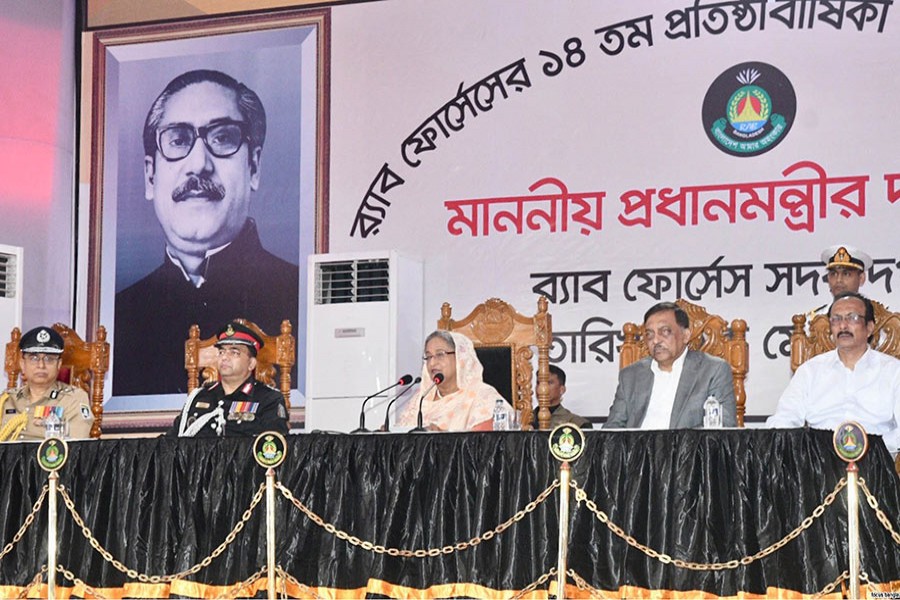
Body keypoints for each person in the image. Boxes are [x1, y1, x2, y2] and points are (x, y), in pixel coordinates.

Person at [114, 69, 298, 396]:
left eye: (223, 138)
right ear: (150, 175)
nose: (199, 163)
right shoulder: (122, 314)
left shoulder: (297, 296)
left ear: (253, 167)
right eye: (178, 140)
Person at [767, 292, 900, 454]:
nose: (843, 326)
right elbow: (784, 420)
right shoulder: (810, 371)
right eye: (836, 319)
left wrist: (868, 447)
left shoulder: (893, 371)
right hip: (819, 463)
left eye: (852, 318)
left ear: (869, 327)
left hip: (877, 463)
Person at [604, 301, 737, 429]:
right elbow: (611, 431)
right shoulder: (630, 375)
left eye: (665, 332)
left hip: (687, 451)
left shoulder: (713, 370)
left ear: (686, 335)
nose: (655, 340)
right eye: (649, 335)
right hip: (636, 450)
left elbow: (723, 431)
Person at [166, 321, 289, 437]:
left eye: (234, 352)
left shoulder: (268, 400)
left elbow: (272, 450)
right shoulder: (198, 397)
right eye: (221, 352)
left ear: (251, 364)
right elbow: (170, 444)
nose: (225, 357)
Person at [395, 331, 505, 431]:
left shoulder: (483, 396)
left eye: (440, 354)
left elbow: (487, 445)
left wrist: (442, 437)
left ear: (460, 358)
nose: (432, 363)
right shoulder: (420, 400)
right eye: (428, 357)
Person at [0, 327, 93, 441]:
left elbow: (76, 448)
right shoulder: (7, 400)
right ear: (22, 364)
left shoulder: (73, 399)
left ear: (59, 365)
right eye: (34, 358)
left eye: (49, 359)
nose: (41, 365)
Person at [807, 244, 872, 315]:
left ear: (861, 278)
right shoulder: (815, 319)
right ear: (828, 278)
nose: (838, 280)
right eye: (833, 274)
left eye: (846, 274)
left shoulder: (879, 319)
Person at [532, 365, 592, 429]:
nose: (542, 388)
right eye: (538, 383)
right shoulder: (525, 420)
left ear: (562, 390)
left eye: (549, 383)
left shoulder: (577, 424)